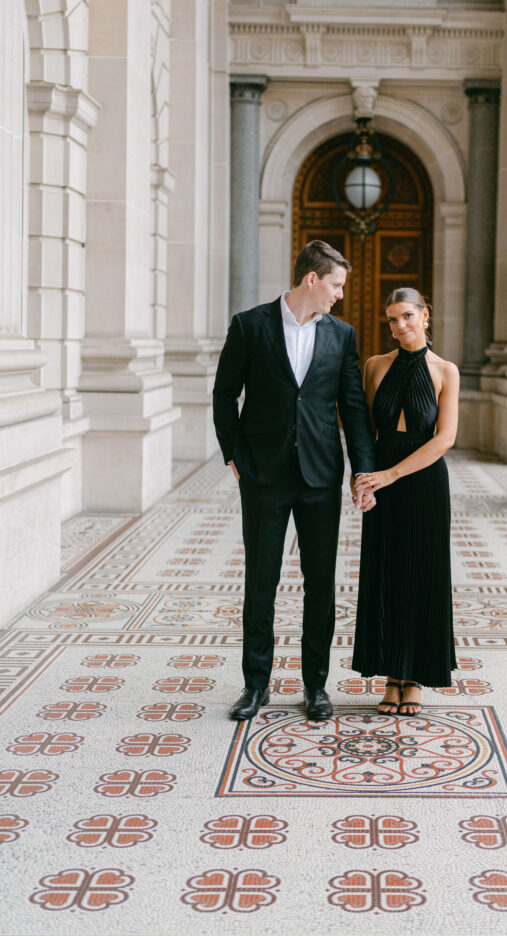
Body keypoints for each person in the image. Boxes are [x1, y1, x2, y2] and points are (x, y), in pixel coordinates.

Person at [213, 240, 376, 721]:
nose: (340, 295)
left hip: (320, 475)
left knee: (320, 583)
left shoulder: (342, 335)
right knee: (261, 581)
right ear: (312, 279)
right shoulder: (250, 325)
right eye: (336, 284)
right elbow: (225, 394)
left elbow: (353, 409)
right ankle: (255, 685)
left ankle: (316, 688)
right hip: (263, 474)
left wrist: (361, 470)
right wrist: (233, 455)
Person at [352, 288, 459, 715]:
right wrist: (361, 481)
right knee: (386, 572)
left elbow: (445, 439)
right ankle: (390, 674)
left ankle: (412, 677)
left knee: (421, 573)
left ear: (425, 316)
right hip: (380, 479)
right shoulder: (374, 366)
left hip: (423, 482)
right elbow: (362, 431)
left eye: (407, 316)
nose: (400, 327)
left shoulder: (445, 370)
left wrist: (390, 475)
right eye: (392, 320)